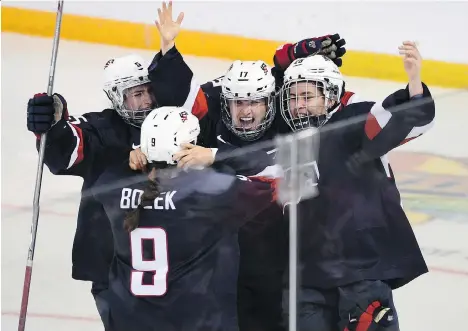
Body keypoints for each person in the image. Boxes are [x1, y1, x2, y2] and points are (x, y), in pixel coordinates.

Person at [25, 53, 210, 321]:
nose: (147, 100)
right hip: (113, 269)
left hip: (172, 269)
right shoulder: (100, 128)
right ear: (116, 97)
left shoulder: (173, 123)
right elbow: (66, 152)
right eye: (136, 94)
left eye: (149, 90)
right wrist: (54, 127)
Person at [278, 42, 434, 331]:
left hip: (359, 269)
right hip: (308, 277)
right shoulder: (288, 142)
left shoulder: (352, 120)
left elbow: (403, 121)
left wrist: (414, 85)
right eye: (294, 97)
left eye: (308, 96)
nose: (299, 105)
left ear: (330, 96)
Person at [91, 106, 278, 331]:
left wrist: (130, 158)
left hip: (130, 320)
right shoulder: (210, 192)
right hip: (196, 321)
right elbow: (275, 175)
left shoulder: (112, 187)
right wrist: (215, 155)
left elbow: (113, 178)